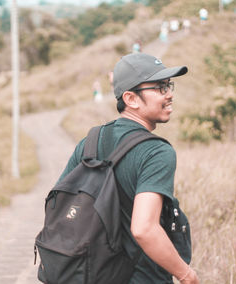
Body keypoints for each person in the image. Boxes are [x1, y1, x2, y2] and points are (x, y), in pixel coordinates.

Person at [57, 53, 199, 284]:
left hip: (92, 275)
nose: (170, 94)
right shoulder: (157, 152)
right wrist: (187, 275)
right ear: (131, 98)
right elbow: (144, 228)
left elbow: (59, 206)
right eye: (161, 87)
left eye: (169, 85)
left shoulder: (90, 142)